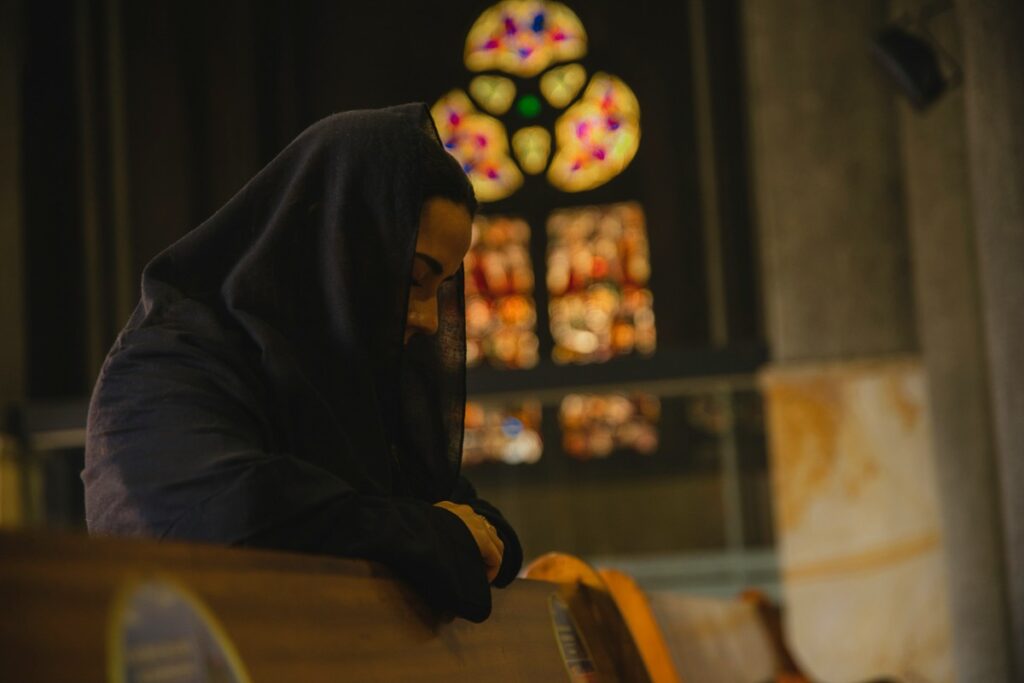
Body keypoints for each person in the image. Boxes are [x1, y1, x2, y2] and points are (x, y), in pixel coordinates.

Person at [82, 104, 522, 623]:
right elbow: (232, 513)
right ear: (333, 239)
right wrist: (432, 534)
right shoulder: (166, 362)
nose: (428, 321)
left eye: (440, 289)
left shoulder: (349, 382)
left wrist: (438, 534)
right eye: (413, 281)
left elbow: (484, 529)